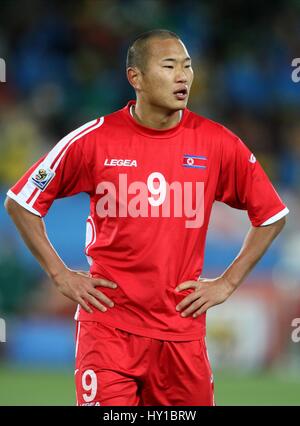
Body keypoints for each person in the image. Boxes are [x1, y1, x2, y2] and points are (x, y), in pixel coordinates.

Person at [4, 29, 289, 406]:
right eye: (169, 66)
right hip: (109, 329)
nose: (183, 76)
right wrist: (60, 274)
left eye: (187, 66)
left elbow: (271, 214)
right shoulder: (94, 140)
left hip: (182, 335)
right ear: (135, 77)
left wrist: (228, 282)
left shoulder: (217, 143)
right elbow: (21, 202)